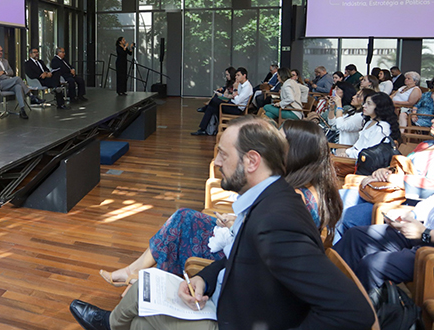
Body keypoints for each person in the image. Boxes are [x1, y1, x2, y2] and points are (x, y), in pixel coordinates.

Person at [70, 117, 374, 330]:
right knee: (142, 293)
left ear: (252, 162)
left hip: (234, 318)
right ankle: (111, 324)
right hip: (228, 299)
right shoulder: (267, 199)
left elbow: (353, 311)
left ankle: (112, 325)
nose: (216, 162)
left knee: (140, 320)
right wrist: (205, 277)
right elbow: (240, 255)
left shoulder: (278, 220)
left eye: (223, 155)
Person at [98, 119, 344, 288]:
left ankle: (141, 286)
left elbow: (262, 242)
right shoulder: (315, 190)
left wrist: (237, 224)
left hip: (238, 260)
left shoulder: (295, 198)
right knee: (184, 218)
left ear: (295, 152)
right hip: (244, 246)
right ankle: (136, 278)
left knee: (184, 222)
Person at [334, 193, 434, 299]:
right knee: (356, 236)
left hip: (428, 244)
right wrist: (411, 215)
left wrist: (425, 233)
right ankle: (330, 292)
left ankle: (359, 311)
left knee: (374, 265)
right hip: (423, 230)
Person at [333, 92, 401, 160]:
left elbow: (370, 153)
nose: (364, 106)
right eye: (365, 103)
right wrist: (345, 152)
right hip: (354, 157)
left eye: (369, 104)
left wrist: (347, 152)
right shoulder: (369, 122)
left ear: (379, 107)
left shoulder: (381, 127)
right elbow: (359, 147)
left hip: (360, 163)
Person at [192, 67, 252, 136]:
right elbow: (234, 96)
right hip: (232, 104)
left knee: (214, 102)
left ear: (244, 76)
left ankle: (205, 126)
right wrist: (229, 95)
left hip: (236, 108)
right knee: (212, 105)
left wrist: (235, 89)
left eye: (238, 75)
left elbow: (237, 101)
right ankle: (204, 129)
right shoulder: (241, 85)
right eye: (236, 75)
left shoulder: (247, 87)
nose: (236, 77)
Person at [0, 44, 32, 119]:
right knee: (17, 78)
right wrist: (8, 77)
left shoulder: (5, 61)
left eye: (1, 51)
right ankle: (30, 94)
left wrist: (3, 72)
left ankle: (22, 109)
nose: (0, 52)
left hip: (7, 83)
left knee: (18, 86)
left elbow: (11, 72)